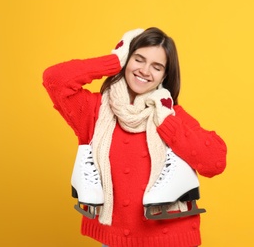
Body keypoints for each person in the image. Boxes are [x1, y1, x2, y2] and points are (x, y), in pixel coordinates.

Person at [43, 27, 227, 247]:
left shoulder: (170, 115)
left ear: (164, 76)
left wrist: (166, 121)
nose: (145, 71)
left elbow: (215, 161)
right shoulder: (95, 112)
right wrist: (113, 60)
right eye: (138, 59)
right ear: (125, 59)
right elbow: (55, 80)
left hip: (169, 240)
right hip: (113, 240)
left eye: (157, 67)